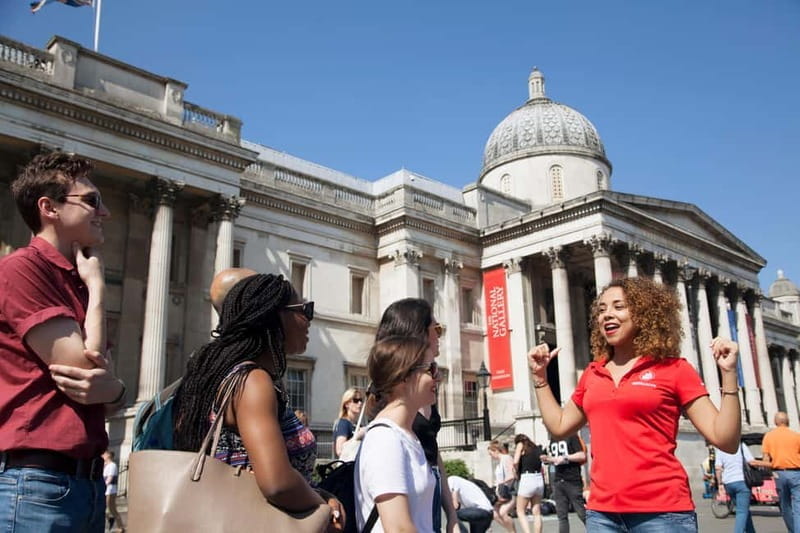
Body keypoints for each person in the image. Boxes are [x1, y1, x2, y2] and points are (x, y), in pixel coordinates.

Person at [528, 277, 742, 533]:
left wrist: (729, 374)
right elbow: (560, 425)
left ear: (644, 314)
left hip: (662, 513)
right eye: (602, 309)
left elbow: (725, 440)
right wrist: (540, 379)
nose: (608, 314)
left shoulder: (674, 369)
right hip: (602, 514)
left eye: (619, 307)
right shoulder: (593, 373)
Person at [0, 152, 127, 532]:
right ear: (49, 208)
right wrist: (100, 288)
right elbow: (85, 370)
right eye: (91, 201)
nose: (104, 212)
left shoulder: (75, 281)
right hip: (36, 483)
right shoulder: (22, 269)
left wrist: (115, 390)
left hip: (78, 486)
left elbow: (104, 395)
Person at [172, 273, 343, 532]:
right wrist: (322, 507)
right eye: (304, 310)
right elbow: (277, 483)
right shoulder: (252, 382)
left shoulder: (222, 373)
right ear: (276, 316)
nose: (309, 319)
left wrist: (316, 492)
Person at [375, 298, 459, 532]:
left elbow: (433, 452)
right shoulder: (386, 434)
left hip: (429, 484)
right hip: (408, 485)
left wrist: (450, 512)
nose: (440, 335)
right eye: (437, 329)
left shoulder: (423, 395)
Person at [354, 335, 439, 532]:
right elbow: (399, 528)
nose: (438, 376)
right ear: (404, 376)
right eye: (431, 369)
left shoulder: (407, 435)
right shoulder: (385, 440)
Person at [757, 411, 800, 532]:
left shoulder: (769, 437)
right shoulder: (796, 436)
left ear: (775, 422)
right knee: (798, 506)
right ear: (788, 422)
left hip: (779, 474)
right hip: (796, 473)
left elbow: (766, 459)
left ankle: (792, 529)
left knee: (785, 506)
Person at [542, 434, 587, 533]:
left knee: (581, 512)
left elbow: (582, 455)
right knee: (562, 516)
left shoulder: (572, 436)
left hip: (572, 479)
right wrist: (547, 459)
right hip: (558, 480)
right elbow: (555, 459)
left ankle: (596, 529)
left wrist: (566, 457)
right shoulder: (553, 439)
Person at [714, 441, 757, 533]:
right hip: (742, 481)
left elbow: (718, 468)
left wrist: (720, 484)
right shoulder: (741, 446)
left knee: (743, 509)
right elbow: (751, 461)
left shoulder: (721, 448)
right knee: (742, 512)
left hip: (728, 483)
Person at [513, 434, 545, 533]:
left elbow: (515, 461)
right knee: (536, 511)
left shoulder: (520, 444)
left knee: (520, 510)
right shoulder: (536, 448)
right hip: (538, 478)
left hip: (527, 478)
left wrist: (515, 471)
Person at [488, 440, 516, 532]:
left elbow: (512, 476)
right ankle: (510, 530)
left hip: (509, 491)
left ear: (496, 450)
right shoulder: (500, 462)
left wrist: (501, 483)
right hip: (501, 491)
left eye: (491, 453)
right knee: (495, 514)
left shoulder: (506, 458)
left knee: (503, 512)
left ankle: (512, 531)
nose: (491, 456)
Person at [333, 388, 366, 458]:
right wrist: (357, 436)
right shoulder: (343, 423)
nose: (360, 403)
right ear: (347, 404)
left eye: (361, 400)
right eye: (355, 401)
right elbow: (339, 450)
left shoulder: (358, 425)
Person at [103, 450, 124, 532]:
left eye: (104, 454)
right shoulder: (105, 465)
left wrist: (104, 486)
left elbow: (110, 478)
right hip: (106, 490)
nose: (102, 455)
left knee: (112, 509)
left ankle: (121, 527)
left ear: (108, 455)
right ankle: (110, 518)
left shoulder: (112, 465)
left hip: (110, 491)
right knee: (103, 508)